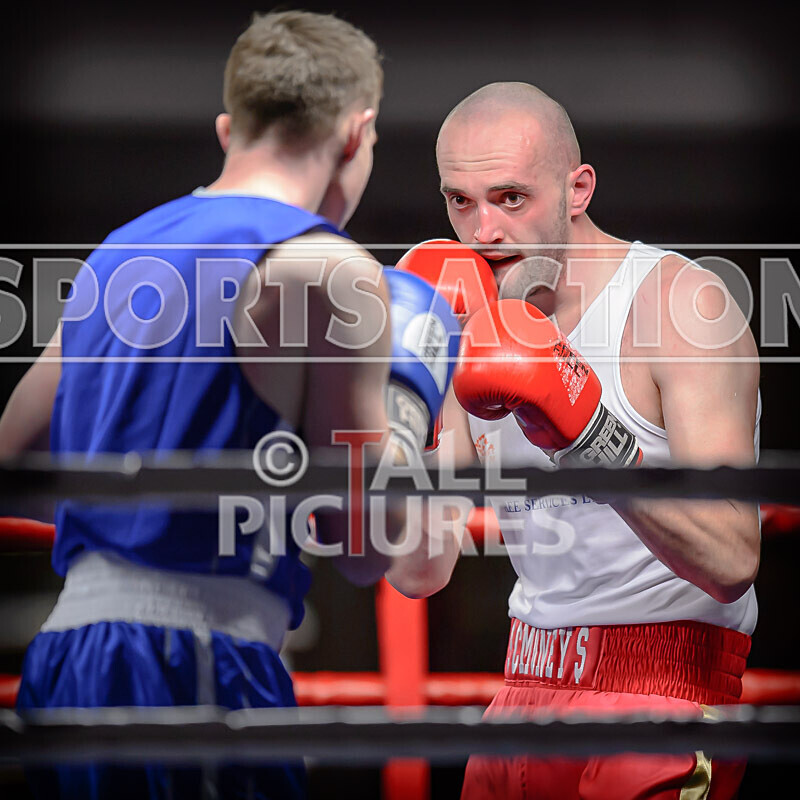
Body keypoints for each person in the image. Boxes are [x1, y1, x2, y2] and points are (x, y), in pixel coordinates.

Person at [0, 11, 460, 799]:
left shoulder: (118, 251)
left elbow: (13, 462)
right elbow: (363, 546)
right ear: (357, 134)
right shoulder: (330, 269)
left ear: (228, 128)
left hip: (64, 660)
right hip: (202, 664)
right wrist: (415, 420)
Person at [390, 81, 761, 799]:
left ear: (577, 188)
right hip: (524, 686)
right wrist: (413, 400)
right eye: (459, 201)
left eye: (510, 198)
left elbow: (733, 557)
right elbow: (419, 572)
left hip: (664, 690)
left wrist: (587, 432)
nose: (482, 231)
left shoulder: (681, 307)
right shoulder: (468, 321)